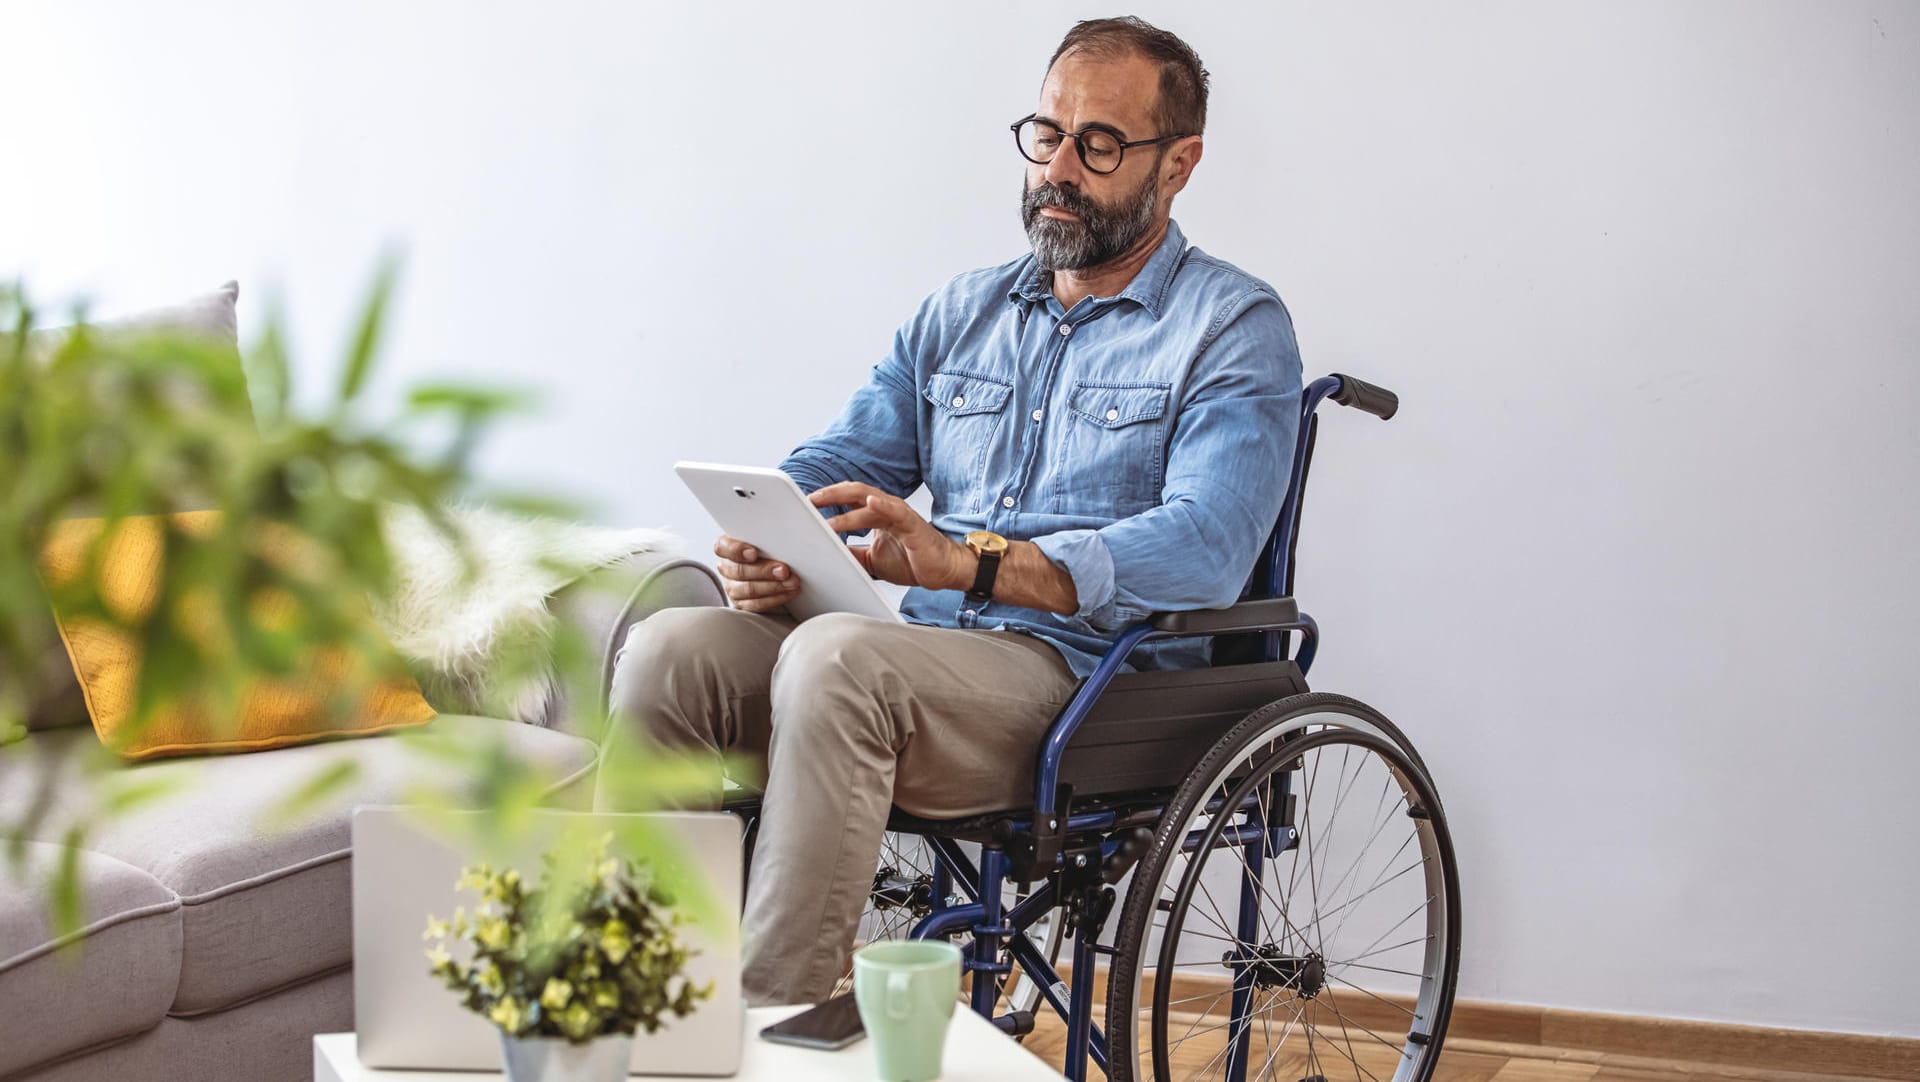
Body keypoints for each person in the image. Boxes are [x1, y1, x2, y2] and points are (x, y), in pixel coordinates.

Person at [605, 15, 1303, 1006]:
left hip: (1086, 683)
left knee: (840, 658)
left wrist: (969, 560)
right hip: (919, 661)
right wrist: (771, 531)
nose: (1059, 167)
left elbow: (1207, 544)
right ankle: (635, 1003)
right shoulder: (960, 312)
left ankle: (778, 1027)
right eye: (1045, 133)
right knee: (672, 648)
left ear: (1178, 163)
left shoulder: (1234, 325)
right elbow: (841, 456)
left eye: (1098, 145)